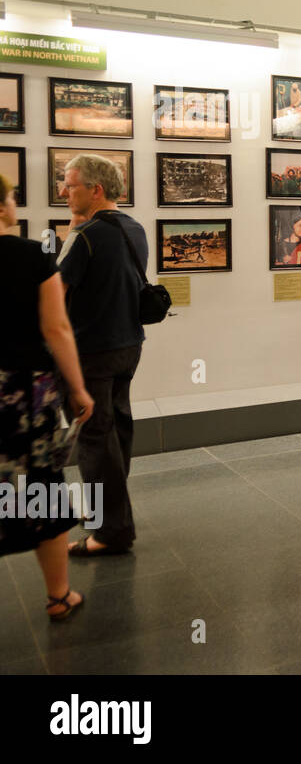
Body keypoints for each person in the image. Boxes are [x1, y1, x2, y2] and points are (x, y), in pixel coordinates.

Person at [0, 174, 94, 618]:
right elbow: (57, 329)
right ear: (3, 207)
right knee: (43, 485)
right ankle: (59, 596)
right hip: (27, 389)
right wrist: (76, 388)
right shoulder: (35, 255)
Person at [57, 154, 149, 556]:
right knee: (118, 431)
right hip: (128, 345)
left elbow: (55, 293)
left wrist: (73, 233)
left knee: (96, 438)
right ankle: (107, 511)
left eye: (70, 184)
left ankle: (111, 529)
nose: (63, 190)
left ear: (96, 189)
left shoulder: (86, 235)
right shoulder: (134, 227)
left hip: (91, 351)